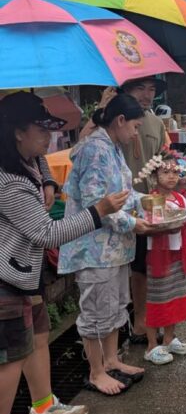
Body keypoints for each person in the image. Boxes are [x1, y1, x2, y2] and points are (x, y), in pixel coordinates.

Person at [0, 92, 128, 414]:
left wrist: (48, 182)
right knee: (10, 353)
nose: (48, 137)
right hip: (7, 275)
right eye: (41, 129)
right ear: (17, 133)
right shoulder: (9, 182)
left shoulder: (25, 160)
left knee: (39, 333)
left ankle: (42, 408)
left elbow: (39, 160)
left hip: (24, 272)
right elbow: (47, 233)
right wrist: (98, 211)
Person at [58, 93, 155, 396]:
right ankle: (96, 371)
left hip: (112, 248)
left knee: (114, 305)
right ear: (121, 121)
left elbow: (123, 195)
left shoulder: (111, 148)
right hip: (94, 248)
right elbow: (95, 204)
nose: (136, 134)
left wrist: (150, 204)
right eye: (136, 127)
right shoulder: (95, 150)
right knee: (96, 310)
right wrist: (132, 223)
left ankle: (112, 360)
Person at [81, 77, 170, 344]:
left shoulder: (153, 125)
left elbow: (162, 160)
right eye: (140, 88)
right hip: (106, 232)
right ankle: (102, 365)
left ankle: (122, 345)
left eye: (152, 89)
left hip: (136, 208)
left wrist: (167, 183)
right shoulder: (100, 143)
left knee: (136, 274)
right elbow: (98, 202)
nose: (147, 94)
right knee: (102, 303)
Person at [144, 154, 186, 365]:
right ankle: (151, 345)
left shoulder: (180, 198)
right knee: (157, 297)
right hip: (157, 254)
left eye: (175, 172)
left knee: (176, 294)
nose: (170, 177)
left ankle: (169, 338)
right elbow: (148, 224)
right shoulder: (151, 199)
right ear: (155, 175)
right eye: (165, 172)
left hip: (176, 252)